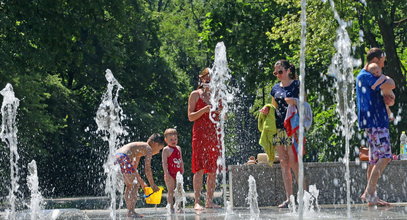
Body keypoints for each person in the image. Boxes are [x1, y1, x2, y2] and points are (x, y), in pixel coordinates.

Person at [260, 60, 307, 208]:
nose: (278, 75)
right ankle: (289, 198)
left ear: (288, 71)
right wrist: (266, 109)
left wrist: (294, 101)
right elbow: (273, 106)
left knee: (294, 161)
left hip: (292, 128)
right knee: (284, 162)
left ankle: (304, 195)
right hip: (279, 128)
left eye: (280, 71)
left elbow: (305, 104)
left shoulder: (297, 85)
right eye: (275, 72)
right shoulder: (275, 88)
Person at [356, 47, 395, 206]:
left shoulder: (368, 76)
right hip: (375, 121)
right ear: (376, 61)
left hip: (374, 120)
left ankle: (371, 195)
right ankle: (369, 193)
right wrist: (387, 81)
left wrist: (389, 101)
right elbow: (390, 84)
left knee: (374, 160)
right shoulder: (366, 75)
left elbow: (387, 91)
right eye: (382, 62)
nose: (383, 66)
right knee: (385, 156)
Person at [187, 67, 221, 210]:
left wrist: (220, 113)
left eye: (211, 77)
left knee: (212, 169)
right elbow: (190, 116)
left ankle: (209, 201)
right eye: (206, 77)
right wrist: (204, 110)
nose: (208, 79)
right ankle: (196, 201)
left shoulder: (217, 95)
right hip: (200, 135)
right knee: (199, 168)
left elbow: (222, 116)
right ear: (201, 78)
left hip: (214, 135)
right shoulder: (195, 94)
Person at [115, 133, 165, 218]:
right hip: (124, 157)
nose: (158, 152)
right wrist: (152, 185)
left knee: (130, 185)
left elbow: (134, 169)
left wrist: (142, 183)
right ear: (155, 144)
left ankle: (130, 211)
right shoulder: (148, 148)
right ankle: (131, 211)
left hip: (117, 156)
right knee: (134, 185)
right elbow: (147, 169)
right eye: (159, 149)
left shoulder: (139, 149)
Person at [162, 128, 184, 212]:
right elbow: (164, 162)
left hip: (178, 172)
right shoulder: (166, 149)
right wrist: (166, 173)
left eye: (175, 139)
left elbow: (181, 159)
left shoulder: (178, 148)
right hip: (169, 173)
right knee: (170, 191)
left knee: (179, 190)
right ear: (166, 140)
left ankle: (179, 206)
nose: (173, 141)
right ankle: (170, 207)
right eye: (171, 139)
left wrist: (182, 168)